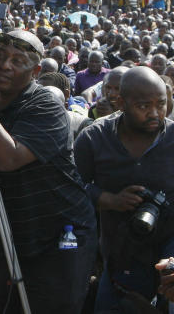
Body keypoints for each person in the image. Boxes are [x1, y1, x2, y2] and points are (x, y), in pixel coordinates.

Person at [0, 30, 97, 313]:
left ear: (36, 70)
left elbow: (8, 158)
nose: (5, 65)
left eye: (17, 60)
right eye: (0, 56)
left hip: (57, 239)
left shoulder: (45, 105)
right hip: (6, 238)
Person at [74, 67, 174, 311]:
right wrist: (107, 199)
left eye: (161, 104)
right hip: (120, 258)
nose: (155, 114)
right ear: (121, 103)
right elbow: (69, 188)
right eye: (143, 106)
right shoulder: (94, 138)